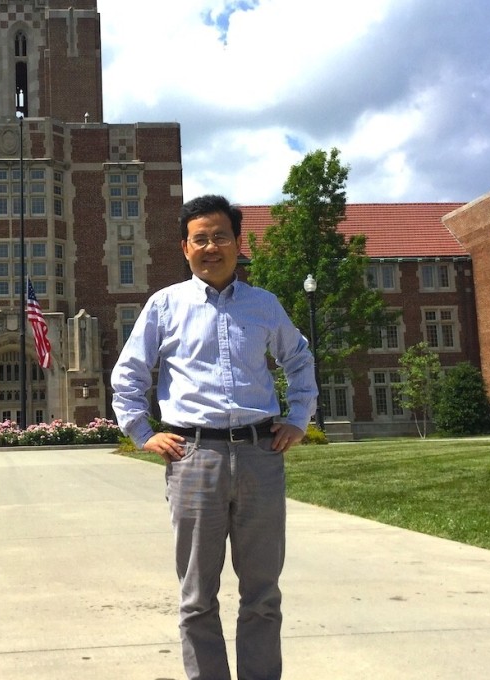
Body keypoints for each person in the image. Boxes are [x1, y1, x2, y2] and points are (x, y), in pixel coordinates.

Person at [111, 194, 317, 680]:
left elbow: (300, 360)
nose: (211, 247)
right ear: (184, 248)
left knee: (262, 593)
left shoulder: (264, 305)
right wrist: (143, 432)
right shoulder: (165, 305)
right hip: (193, 456)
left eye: (220, 236)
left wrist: (299, 418)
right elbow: (128, 375)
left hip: (260, 455)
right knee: (197, 596)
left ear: (237, 242)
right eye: (199, 238)